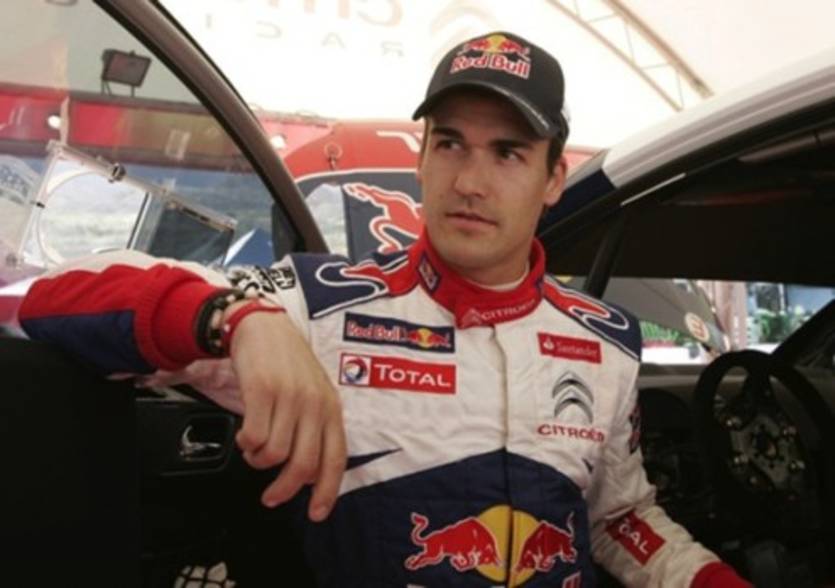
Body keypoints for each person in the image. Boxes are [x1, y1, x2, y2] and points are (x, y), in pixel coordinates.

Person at [19, 31, 749, 587]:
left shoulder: (605, 341)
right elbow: (51, 301)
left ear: (553, 178)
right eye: (451, 144)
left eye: (507, 153)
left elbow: (616, 515)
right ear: (421, 157)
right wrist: (235, 320)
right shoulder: (318, 306)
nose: (470, 181)